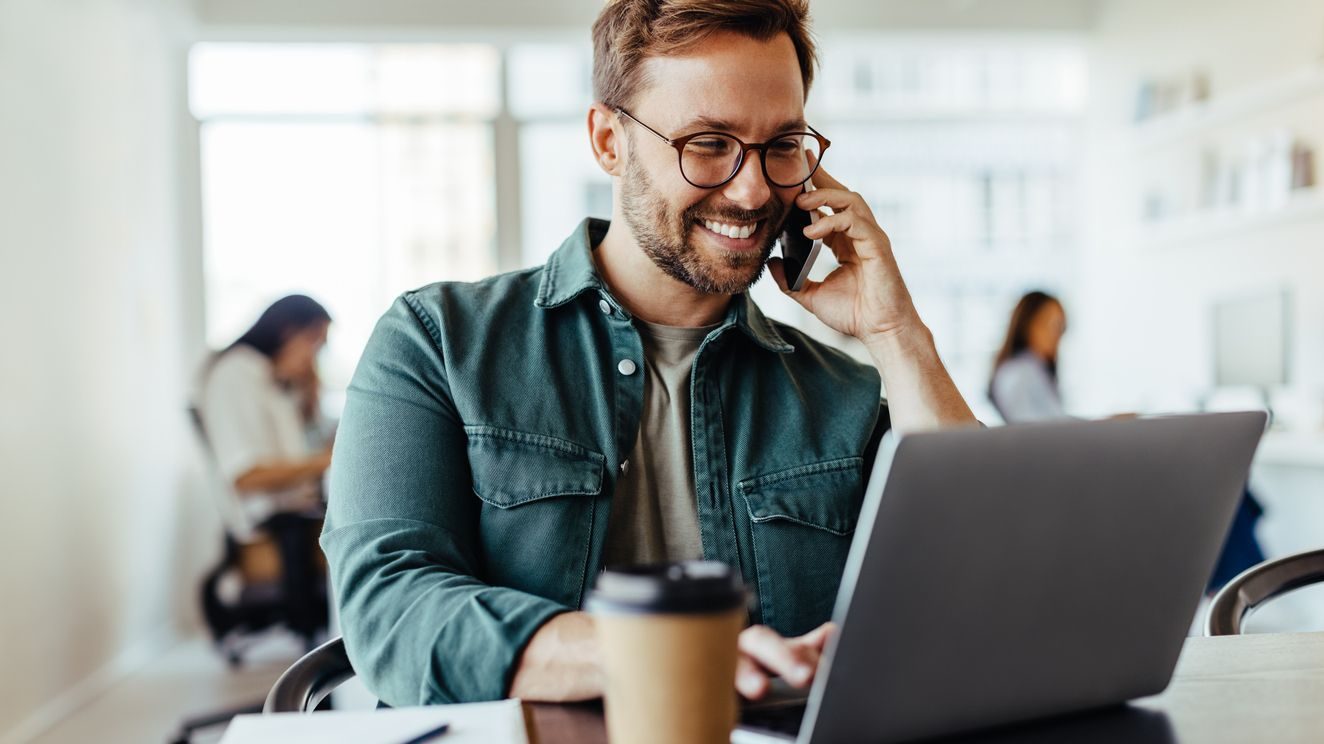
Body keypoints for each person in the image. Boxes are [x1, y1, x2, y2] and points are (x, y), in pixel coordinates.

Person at [323, 0, 976, 708]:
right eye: (708, 143)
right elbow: (392, 608)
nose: (754, 189)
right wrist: (666, 651)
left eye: (782, 144)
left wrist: (895, 333)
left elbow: (984, 585)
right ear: (609, 140)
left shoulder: (841, 396)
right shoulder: (438, 342)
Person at [988, 291, 1069, 423]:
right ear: (1027, 323)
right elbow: (1035, 429)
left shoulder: (1036, 369)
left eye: (1061, 326)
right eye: (1051, 324)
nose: (1057, 334)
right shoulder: (1019, 373)